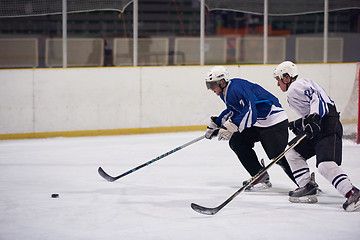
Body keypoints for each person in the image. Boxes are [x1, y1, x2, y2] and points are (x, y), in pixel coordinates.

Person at [273, 60, 360, 212]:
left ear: (286, 78)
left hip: (327, 125)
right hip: (320, 126)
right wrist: (298, 123)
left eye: (278, 80)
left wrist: (313, 118)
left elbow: (316, 98)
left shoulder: (295, 86)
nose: (278, 84)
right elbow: (312, 108)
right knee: (293, 152)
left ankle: (352, 192)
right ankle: (307, 185)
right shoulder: (298, 87)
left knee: (325, 165)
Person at [204, 66, 297, 191]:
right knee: (237, 141)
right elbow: (233, 110)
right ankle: (259, 174)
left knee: (278, 157)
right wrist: (217, 123)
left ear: (222, 82)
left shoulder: (236, 88)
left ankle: (305, 184)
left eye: (212, 85)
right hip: (258, 122)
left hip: (273, 121)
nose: (211, 89)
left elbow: (250, 111)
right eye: (209, 85)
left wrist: (232, 126)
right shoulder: (225, 93)